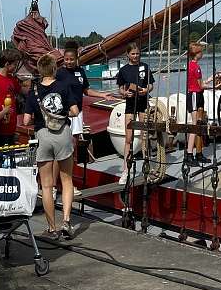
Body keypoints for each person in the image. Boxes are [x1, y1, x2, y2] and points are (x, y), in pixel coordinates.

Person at [24, 54, 79, 240]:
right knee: (67, 180)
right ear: (54, 69)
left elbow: (26, 120)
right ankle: (66, 221)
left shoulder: (33, 91)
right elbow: (75, 111)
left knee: (47, 185)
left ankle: (51, 227)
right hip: (62, 134)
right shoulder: (64, 86)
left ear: (39, 70)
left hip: (43, 136)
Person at [56, 40, 112, 195]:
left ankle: (69, 183)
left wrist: (102, 94)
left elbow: (86, 90)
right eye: (66, 59)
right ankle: (55, 185)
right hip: (64, 114)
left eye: (71, 59)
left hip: (77, 114)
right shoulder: (59, 73)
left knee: (73, 147)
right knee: (61, 147)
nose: (68, 62)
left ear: (76, 59)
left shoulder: (80, 72)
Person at [116, 42, 154, 184]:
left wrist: (146, 90)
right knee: (128, 139)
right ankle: (126, 170)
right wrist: (125, 93)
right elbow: (120, 88)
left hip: (143, 104)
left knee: (145, 137)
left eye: (137, 53)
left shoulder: (145, 67)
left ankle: (147, 167)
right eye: (133, 54)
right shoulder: (124, 70)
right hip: (130, 105)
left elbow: (150, 84)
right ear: (128, 55)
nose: (135, 56)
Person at [185, 42, 214, 167]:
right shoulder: (195, 67)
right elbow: (200, 86)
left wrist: (209, 80)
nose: (202, 53)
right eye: (201, 51)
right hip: (194, 95)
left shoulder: (191, 65)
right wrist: (214, 86)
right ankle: (189, 154)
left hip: (197, 94)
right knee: (194, 124)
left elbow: (199, 84)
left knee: (199, 123)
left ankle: (199, 153)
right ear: (197, 54)